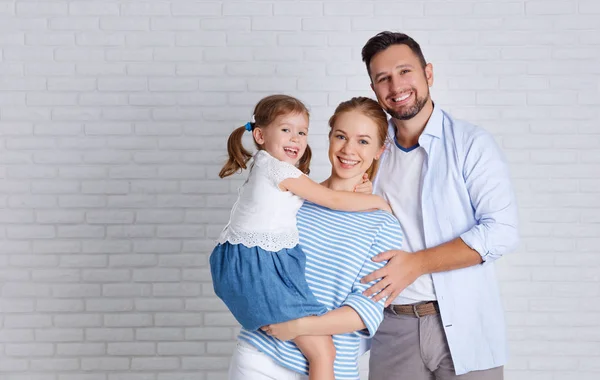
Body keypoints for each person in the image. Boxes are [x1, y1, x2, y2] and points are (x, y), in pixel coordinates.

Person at [358, 32, 520, 379]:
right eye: (382, 78)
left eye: (405, 71)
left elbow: (501, 232)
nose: (396, 85)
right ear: (374, 89)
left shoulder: (471, 144)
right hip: (392, 326)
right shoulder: (369, 151)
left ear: (428, 74)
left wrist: (415, 264)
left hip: (467, 324)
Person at [210, 94, 391, 380]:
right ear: (329, 138)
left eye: (364, 141)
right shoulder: (294, 199)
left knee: (323, 353)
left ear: (380, 149)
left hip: (331, 367)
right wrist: (375, 201)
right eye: (341, 136)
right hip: (261, 358)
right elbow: (332, 200)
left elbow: (365, 311)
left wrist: (298, 327)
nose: (349, 149)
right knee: (322, 352)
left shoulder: (383, 224)